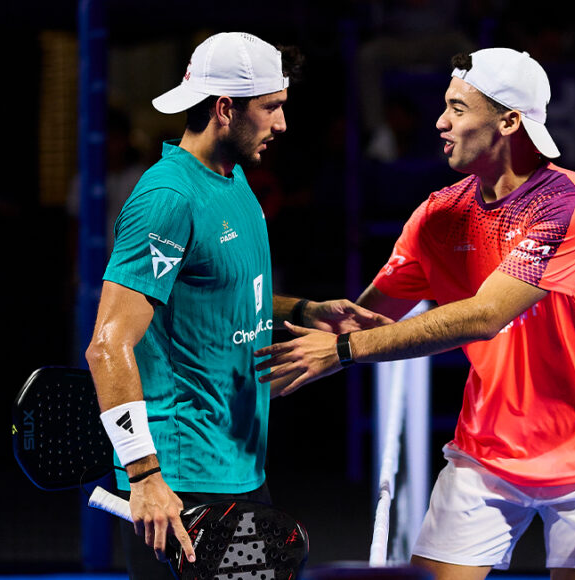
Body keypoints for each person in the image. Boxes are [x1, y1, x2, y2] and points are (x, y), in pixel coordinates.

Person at [255, 48, 575, 580]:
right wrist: (248, 306)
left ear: (509, 121)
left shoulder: (569, 202)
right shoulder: (439, 214)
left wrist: (345, 351)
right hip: (487, 454)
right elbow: (361, 320)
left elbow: (485, 315)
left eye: (458, 108)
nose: (440, 121)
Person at [84, 32, 391, 579]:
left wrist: (301, 311)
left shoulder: (234, 179)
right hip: (180, 484)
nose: (282, 124)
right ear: (225, 109)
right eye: (271, 108)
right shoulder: (167, 199)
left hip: (240, 465)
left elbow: (217, 291)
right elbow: (108, 345)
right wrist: (145, 476)